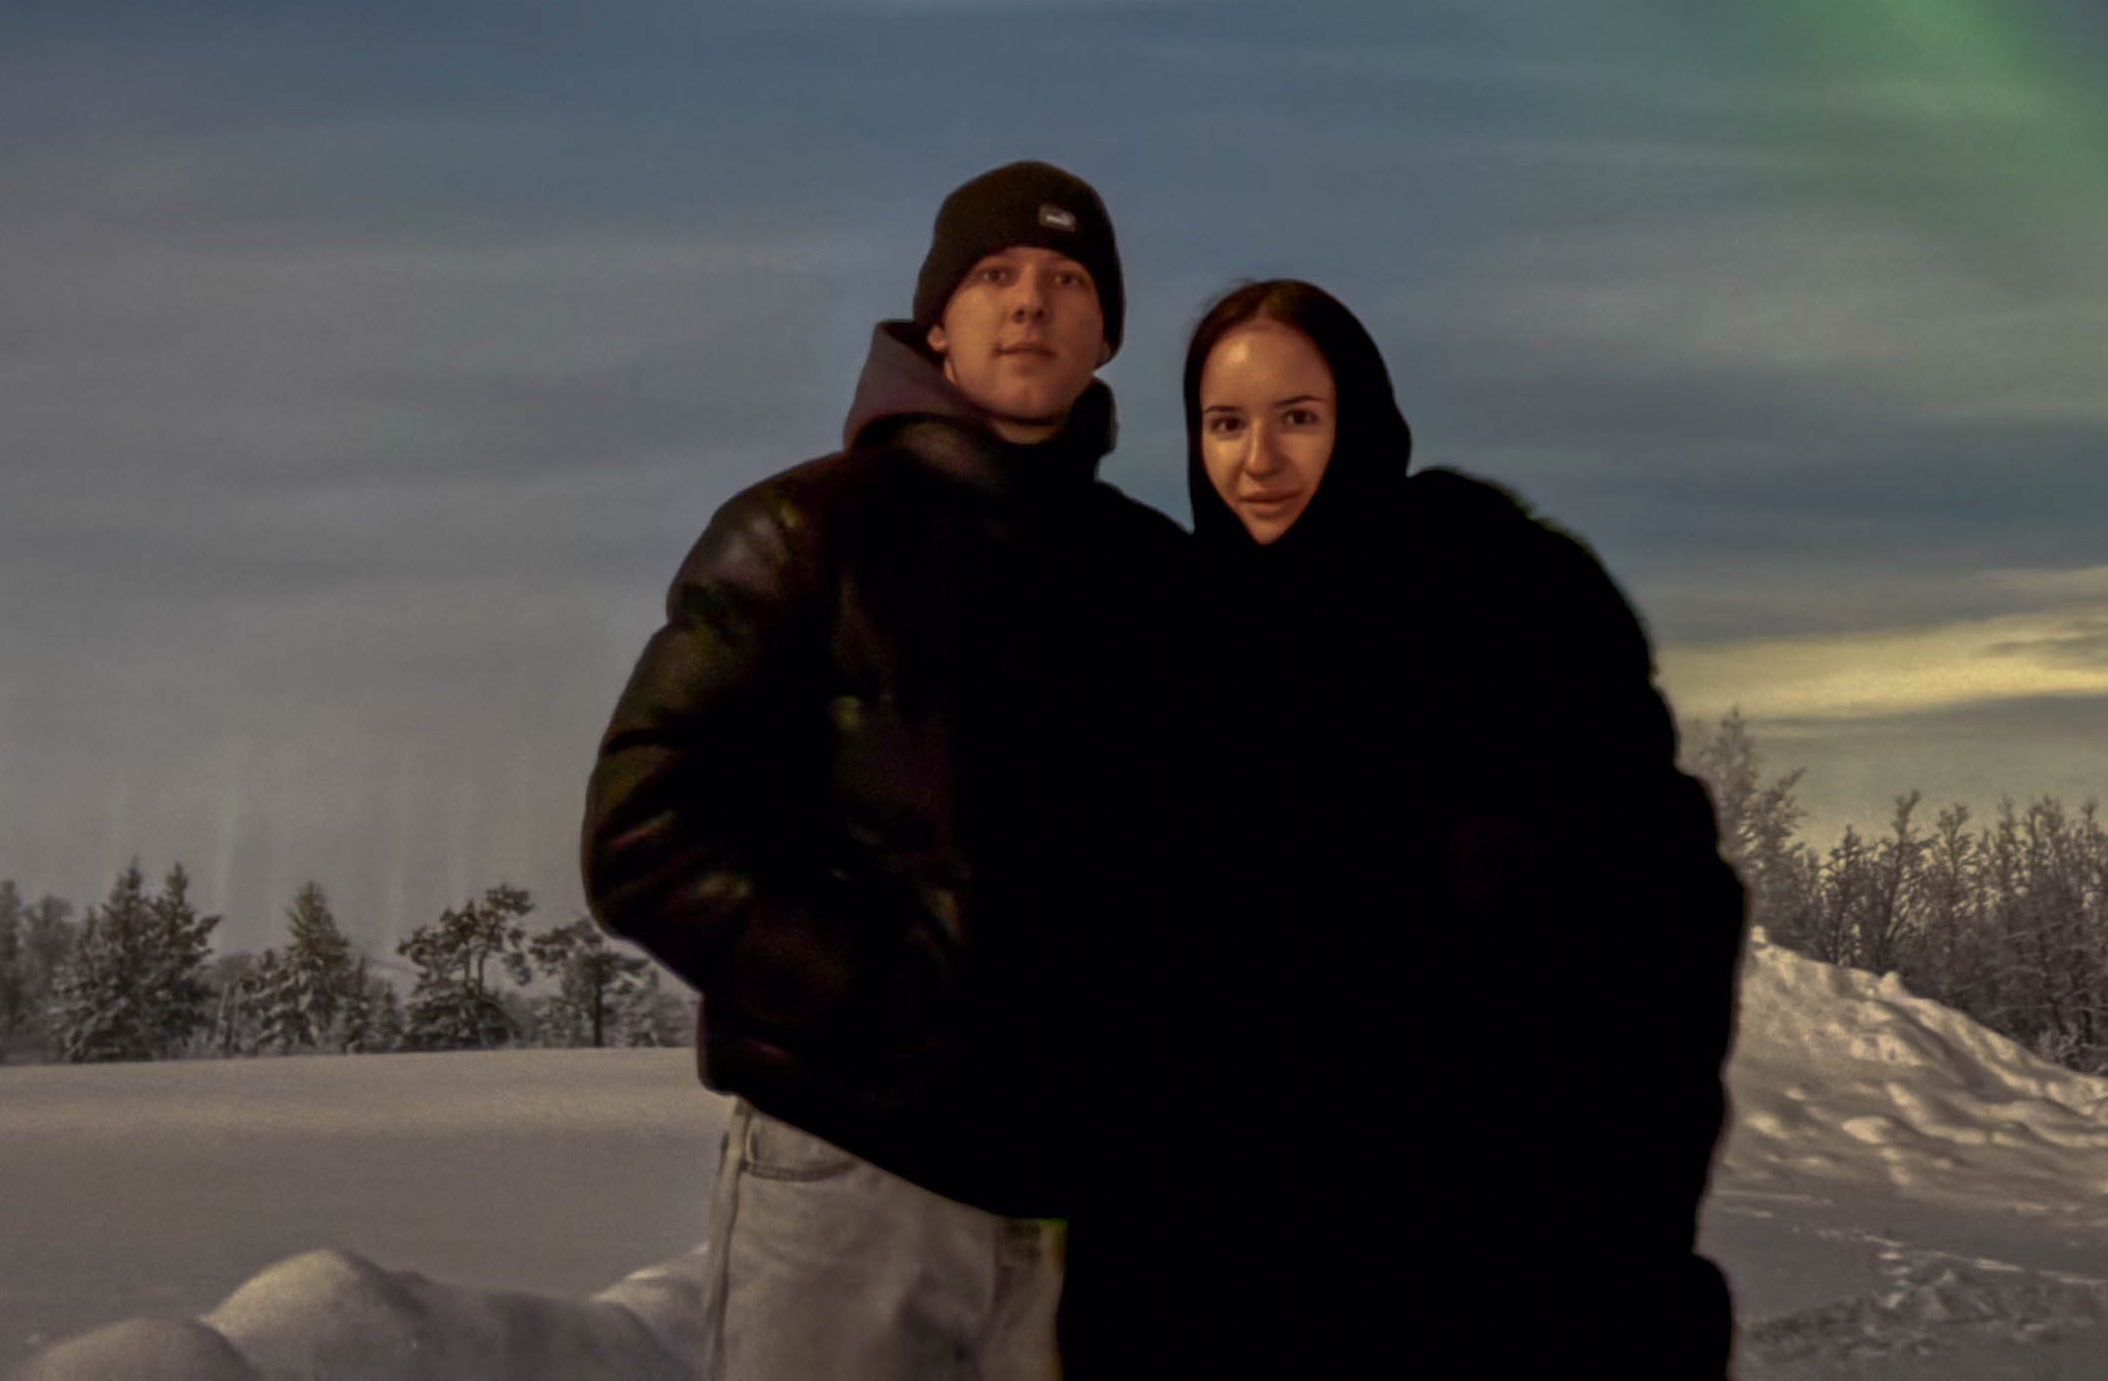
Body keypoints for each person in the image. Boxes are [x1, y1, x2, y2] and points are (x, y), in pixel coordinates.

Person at [1062, 278, 1746, 1378]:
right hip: (1215, 1292)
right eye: (1225, 424)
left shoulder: (1502, 599)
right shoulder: (1174, 647)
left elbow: (1661, 947)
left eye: (1298, 417)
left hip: (1486, 1282)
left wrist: (1606, 1254)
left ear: (1363, 419)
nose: (1258, 461)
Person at [582, 161, 1185, 1381]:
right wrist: (877, 998)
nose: (1032, 301)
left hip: (1089, 1214)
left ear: (1107, 336)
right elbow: (642, 834)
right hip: (849, 1178)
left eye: (1069, 280)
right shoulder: (801, 533)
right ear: (937, 324)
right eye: (996, 274)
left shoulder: (1160, 577)